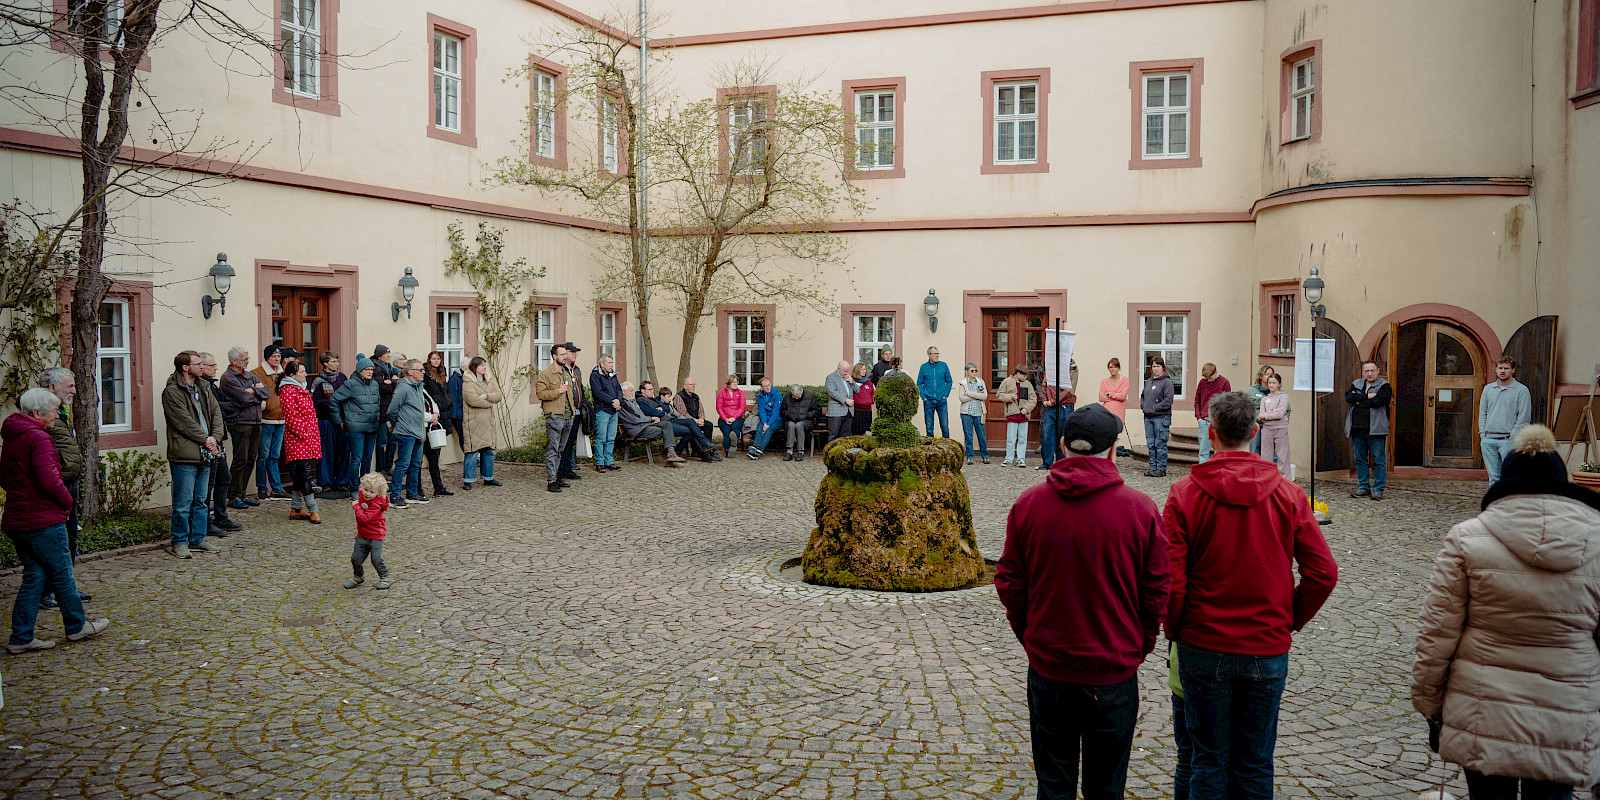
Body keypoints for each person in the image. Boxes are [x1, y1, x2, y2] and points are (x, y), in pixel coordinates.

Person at [1163, 392, 1338, 799]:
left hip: (1203, 642)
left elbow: (1171, 579)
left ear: (1212, 433)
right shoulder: (1289, 495)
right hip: (1265, 643)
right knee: (1255, 760)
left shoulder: (1185, 493)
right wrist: (1288, 615)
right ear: (1255, 432)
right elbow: (1323, 573)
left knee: (1207, 760)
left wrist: (1176, 627)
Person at [1412, 424, 1600, 800]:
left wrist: (1431, 705)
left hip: (1482, 709)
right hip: (1564, 715)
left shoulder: (1466, 538)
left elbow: (1437, 633)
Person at [995, 404, 1170, 799]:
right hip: (1112, 667)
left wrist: (1032, 635)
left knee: (1053, 786)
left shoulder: (1029, 505)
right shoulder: (1140, 510)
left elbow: (1009, 582)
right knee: (1106, 788)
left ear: (1061, 445)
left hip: (1051, 666)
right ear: (1111, 451)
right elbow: (1157, 589)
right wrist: (1140, 643)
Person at [3, 388, 111, 654]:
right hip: (42, 519)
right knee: (62, 574)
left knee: (35, 576)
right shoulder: (38, 438)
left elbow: (4, 477)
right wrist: (67, 501)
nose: (57, 415)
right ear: (37, 412)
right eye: (54, 411)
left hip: (19, 517)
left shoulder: (13, 436)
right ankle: (76, 625)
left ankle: (21, 637)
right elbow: (50, 479)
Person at [37, 366, 94, 609]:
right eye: (69, 386)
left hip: (68, 482)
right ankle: (47, 592)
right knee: (57, 542)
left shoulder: (59, 410)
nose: (74, 390)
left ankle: (64, 588)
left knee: (70, 538)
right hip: (57, 484)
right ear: (52, 387)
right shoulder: (41, 412)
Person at [163, 350, 226, 559]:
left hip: (206, 452)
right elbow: (182, 421)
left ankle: (198, 538)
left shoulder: (204, 387)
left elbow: (217, 414)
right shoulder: (172, 391)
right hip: (185, 454)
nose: (202, 367)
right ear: (185, 367)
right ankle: (179, 541)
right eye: (198, 364)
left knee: (201, 500)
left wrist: (215, 438)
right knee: (183, 502)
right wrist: (206, 439)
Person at [195, 354, 241, 535]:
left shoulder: (211, 385)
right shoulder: (200, 387)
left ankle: (221, 517)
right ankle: (205, 521)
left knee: (224, 478)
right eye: (212, 365)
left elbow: (231, 404)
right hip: (207, 442)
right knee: (209, 482)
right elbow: (215, 409)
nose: (215, 368)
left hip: (218, 439)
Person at [220, 346, 269, 509]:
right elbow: (243, 398)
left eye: (247, 359)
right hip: (240, 423)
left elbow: (266, 392)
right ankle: (233, 495)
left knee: (250, 459)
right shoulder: (228, 378)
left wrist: (252, 392)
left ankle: (242, 493)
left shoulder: (250, 375)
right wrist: (257, 393)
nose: (247, 361)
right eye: (244, 359)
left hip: (255, 421)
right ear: (234, 361)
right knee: (240, 459)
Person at [277, 359, 325, 524]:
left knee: (300, 472)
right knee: (304, 472)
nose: (306, 374)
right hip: (298, 437)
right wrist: (304, 434)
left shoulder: (301, 389)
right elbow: (291, 417)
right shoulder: (288, 391)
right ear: (292, 374)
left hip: (307, 436)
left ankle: (296, 508)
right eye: (302, 371)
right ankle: (313, 508)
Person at [330, 355, 381, 494]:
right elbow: (334, 401)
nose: (370, 372)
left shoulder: (375, 384)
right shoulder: (351, 384)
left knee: (367, 460)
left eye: (371, 369)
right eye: (367, 369)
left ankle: (365, 487)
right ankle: (353, 488)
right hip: (355, 428)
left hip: (371, 427)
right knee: (356, 459)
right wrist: (339, 420)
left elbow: (377, 403)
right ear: (360, 371)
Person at [387, 358, 434, 506]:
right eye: (420, 370)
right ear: (410, 372)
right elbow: (392, 410)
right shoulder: (403, 388)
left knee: (415, 464)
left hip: (419, 431)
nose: (423, 372)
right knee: (403, 464)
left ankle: (412, 494)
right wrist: (398, 424)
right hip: (406, 432)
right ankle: (394, 496)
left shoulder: (418, 386)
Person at [1479, 355, 1533, 484]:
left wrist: (1512, 436)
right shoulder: (1488, 389)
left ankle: (1511, 502)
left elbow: (1524, 417)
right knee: (1494, 479)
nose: (1503, 371)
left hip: (1508, 441)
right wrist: (1482, 434)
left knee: (1511, 477)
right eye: (1500, 368)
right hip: (1488, 440)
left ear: (1513, 370)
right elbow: (1483, 413)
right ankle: (1495, 503)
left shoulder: (1521, 390)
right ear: (1496, 370)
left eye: (1506, 368)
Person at [1345, 360, 1393, 500]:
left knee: (1378, 459)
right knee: (1360, 459)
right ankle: (1363, 487)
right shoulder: (1357, 384)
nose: (1370, 373)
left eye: (1372, 370)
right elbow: (1349, 397)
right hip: (1357, 429)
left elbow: (1379, 401)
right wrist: (1366, 396)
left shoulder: (1384, 386)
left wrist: (1359, 401)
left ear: (1378, 371)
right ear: (1363, 372)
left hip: (1376, 430)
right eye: (1367, 371)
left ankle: (1378, 489)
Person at [536, 343, 578, 492]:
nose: (565, 357)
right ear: (554, 356)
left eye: (565, 354)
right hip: (555, 417)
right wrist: (557, 391)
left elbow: (570, 396)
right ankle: (550, 480)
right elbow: (541, 394)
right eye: (562, 354)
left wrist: (573, 411)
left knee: (561, 449)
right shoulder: (546, 374)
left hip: (568, 416)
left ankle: (557, 476)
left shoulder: (566, 373)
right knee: (553, 449)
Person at [251, 344, 290, 500]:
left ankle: (276, 487)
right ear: (267, 357)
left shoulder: (283, 374)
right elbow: (252, 393)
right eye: (274, 356)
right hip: (265, 420)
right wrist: (263, 405)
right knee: (263, 456)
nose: (277, 359)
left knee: (274, 455)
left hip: (281, 421)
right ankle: (261, 488)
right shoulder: (256, 373)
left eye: (279, 356)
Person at [617, 381, 688, 466]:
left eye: (632, 390)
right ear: (623, 392)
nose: (633, 393)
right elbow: (635, 419)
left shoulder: (632, 402)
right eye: (630, 391)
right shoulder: (623, 403)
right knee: (664, 431)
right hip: (637, 429)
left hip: (644, 425)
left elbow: (640, 416)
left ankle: (671, 455)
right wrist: (651, 419)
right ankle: (671, 457)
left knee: (667, 424)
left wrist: (651, 419)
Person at [459, 356, 503, 489]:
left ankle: (488, 477)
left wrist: (486, 396)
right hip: (474, 422)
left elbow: (499, 395)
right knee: (472, 451)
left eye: (485, 364)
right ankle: (468, 480)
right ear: (474, 367)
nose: (484, 367)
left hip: (488, 421)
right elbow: (472, 400)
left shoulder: (490, 380)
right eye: (481, 365)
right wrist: (490, 403)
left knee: (488, 451)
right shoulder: (467, 383)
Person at [311, 350, 350, 498]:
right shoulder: (318, 381)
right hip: (325, 421)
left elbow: (348, 395)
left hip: (341, 421)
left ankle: (341, 482)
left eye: (337, 361)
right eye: (334, 361)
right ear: (325, 363)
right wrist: (334, 401)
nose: (337, 364)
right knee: (325, 452)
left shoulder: (342, 378)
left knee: (342, 451)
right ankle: (326, 483)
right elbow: (316, 401)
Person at [345, 472, 392, 591]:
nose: (367, 494)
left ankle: (384, 577)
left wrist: (356, 506)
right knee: (355, 558)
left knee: (376, 559)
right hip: (362, 534)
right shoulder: (362, 494)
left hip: (376, 534)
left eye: (372, 492)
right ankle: (358, 576)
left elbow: (364, 518)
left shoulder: (377, 504)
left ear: (378, 493)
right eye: (366, 489)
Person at [420, 352, 456, 498]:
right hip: (429, 420)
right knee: (424, 457)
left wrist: (448, 402)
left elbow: (445, 392)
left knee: (435, 456)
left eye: (438, 358)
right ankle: (418, 489)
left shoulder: (442, 373)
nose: (436, 361)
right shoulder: (426, 377)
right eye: (433, 358)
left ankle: (438, 487)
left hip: (441, 416)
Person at [1037, 359, 1078, 471]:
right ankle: (1047, 463)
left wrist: (1053, 400)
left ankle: (1061, 463)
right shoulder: (1051, 365)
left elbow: (1070, 389)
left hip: (1066, 406)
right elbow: (1044, 384)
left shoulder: (1072, 367)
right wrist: (1045, 399)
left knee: (1063, 436)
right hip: (1051, 407)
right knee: (1047, 434)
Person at [658, 385, 717, 461]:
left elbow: (679, 415)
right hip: (669, 423)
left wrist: (692, 421)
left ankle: (678, 452)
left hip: (676, 421)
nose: (670, 399)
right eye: (668, 397)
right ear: (662, 397)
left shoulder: (669, 405)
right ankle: (705, 446)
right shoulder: (659, 404)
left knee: (693, 429)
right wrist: (692, 421)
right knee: (690, 425)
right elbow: (679, 413)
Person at [1140, 357, 1175, 478]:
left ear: (1163, 368)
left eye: (1158, 366)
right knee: (1151, 444)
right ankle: (1153, 467)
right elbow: (1143, 396)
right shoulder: (1149, 381)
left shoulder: (1167, 382)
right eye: (1153, 366)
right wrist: (1143, 406)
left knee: (1160, 444)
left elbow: (1168, 400)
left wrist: (1155, 408)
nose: (1156, 369)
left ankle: (1161, 468)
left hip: (1161, 418)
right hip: (1148, 417)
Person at [997, 364, 1037, 468]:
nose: (1025, 377)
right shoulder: (1006, 382)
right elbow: (999, 395)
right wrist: (1010, 397)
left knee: (1023, 439)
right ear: (1018, 373)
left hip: (1024, 416)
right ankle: (1008, 459)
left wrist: (1026, 409)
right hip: (1012, 415)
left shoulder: (1027, 384)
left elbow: (1033, 399)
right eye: (1024, 375)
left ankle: (1021, 459)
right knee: (1011, 439)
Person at [558, 343, 587, 483]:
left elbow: (580, 389)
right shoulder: (561, 370)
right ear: (565, 353)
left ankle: (568, 469)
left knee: (571, 442)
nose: (575, 354)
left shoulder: (577, 370)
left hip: (577, 411)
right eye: (573, 352)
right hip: (565, 412)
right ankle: (560, 471)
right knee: (562, 443)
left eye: (576, 352)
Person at [590, 354, 624, 472]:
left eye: (612, 363)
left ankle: (609, 461)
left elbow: (619, 389)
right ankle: (600, 462)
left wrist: (618, 400)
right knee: (601, 437)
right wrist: (612, 401)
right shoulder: (595, 375)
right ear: (602, 364)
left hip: (613, 410)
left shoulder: (613, 375)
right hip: (603, 410)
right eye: (609, 363)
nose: (611, 365)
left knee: (611, 438)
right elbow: (598, 392)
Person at [1193, 363, 1232, 464]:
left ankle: (1217, 472)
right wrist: (1199, 417)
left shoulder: (1224, 382)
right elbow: (1197, 400)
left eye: (1210, 378)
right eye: (1206, 378)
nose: (1208, 380)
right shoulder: (1202, 383)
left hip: (1218, 420)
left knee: (1218, 451)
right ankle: (1203, 472)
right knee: (1203, 451)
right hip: (1204, 420)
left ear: (1216, 372)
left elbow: (1228, 403)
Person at [371, 344, 399, 473]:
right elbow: (381, 388)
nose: (389, 355)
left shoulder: (389, 367)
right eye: (386, 354)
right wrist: (392, 382)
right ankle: (381, 468)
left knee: (392, 441)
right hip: (381, 410)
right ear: (379, 355)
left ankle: (388, 467)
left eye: (389, 353)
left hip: (391, 409)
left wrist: (391, 382)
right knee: (382, 441)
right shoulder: (375, 368)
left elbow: (397, 383)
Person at [1258, 373, 1291, 478]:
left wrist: (1268, 415)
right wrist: (1272, 413)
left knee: (1283, 456)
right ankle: (1267, 479)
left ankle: (1285, 480)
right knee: (1266, 456)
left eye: (1274, 383)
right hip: (1267, 430)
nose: (1271, 385)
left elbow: (1280, 414)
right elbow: (1260, 416)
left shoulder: (1283, 397)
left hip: (1280, 429)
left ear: (1279, 384)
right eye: (1269, 383)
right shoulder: (1264, 399)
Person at [674, 377, 718, 455]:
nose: (693, 386)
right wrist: (695, 420)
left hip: (697, 420)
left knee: (709, 425)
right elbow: (683, 413)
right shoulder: (679, 396)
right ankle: (700, 450)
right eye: (691, 384)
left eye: (694, 384)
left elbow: (701, 409)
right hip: (686, 421)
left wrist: (701, 419)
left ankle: (708, 448)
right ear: (685, 386)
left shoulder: (696, 396)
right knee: (693, 428)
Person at [958, 363, 991, 466]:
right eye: (972, 371)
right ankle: (969, 457)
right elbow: (962, 398)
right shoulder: (963, 383)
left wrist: (970, 394)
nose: (974, 373)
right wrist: (977, 394)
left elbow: (984, 396)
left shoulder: (980, 381)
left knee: (981, 435)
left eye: (975, 371)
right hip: (966, 413)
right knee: (968, 435)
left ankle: (985, 456)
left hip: (979, 412)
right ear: (967, 371)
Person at [917, 346, 952, 438]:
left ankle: (947, 449)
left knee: (945, 427)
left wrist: (945, 395)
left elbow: (949, 381)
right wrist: (924, 397)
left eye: (938, 353)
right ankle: (930, 450)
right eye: (935, 354)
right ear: (929, 355)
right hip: (928, 401)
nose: (937, 355)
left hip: (941, 400)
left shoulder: (943, 365)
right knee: (929, 428)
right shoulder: (923, 367)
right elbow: (919, 383)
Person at [780, 384, 821, 461]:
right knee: (791, 425)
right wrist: (789, 415)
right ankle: (789, 451)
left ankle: (800, 452)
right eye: (794, 396)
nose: (796, 397)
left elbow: (817, 411)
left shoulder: (810, 396)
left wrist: (805, 416)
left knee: (799, 425)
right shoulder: (787, 397)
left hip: (806, 420)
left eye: (798, 395)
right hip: (791, 420)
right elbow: (782, 410)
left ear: (802, 391)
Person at [748, 377, 783, 459]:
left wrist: (768, 424)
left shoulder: (777, 394)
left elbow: (775, 412)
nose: (768, 387)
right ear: (761, 387)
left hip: (777, 419)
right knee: (759, 427)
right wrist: (764, 423)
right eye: (765, 386)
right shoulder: (760, 397)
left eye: (769, 385)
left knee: (769, 429)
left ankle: (760, 449)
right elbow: (762, 411)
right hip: (766, 419)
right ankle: (755, 447)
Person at [1245, 366, 1275, 457]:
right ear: (1261, 376)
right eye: (1267, 374)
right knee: (1255, 453)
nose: (1269, 377)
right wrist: (1256, 418)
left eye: (1271, 375)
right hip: (1256, 427)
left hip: (1271, 428)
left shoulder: (1277, 391)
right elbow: (1246, 409)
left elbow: (1286, 409)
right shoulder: (1252, 391)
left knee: (1272, 456)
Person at [716, 374, 748, 457]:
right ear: (728, 383)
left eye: (737, 382)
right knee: (727, 432)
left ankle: (733, 445)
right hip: (724, 418)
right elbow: (719, 408)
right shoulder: (722, 393)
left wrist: (734, 418)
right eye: (734, 382)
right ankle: (728, 450)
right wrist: (726, 418)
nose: (736, 384)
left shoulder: (740, 393)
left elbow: (742, 407)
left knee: (735, 428)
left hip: (737, 418)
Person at [825, 360, 856, 443]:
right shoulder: (831, 377)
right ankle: (830, 454)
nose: (846, 373)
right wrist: (845, 400)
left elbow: (857, 390)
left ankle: (842, 454)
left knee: (845, 436)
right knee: (833, 434)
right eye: (844, 371)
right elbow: (832, 392)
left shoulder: (848, 377)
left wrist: (851, 382)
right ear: (838, 369)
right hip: (836, 411)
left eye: (847, 371)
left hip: (848, 411)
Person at [851, 363, 875, 436]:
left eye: (865, 369)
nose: (864, 371)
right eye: (862, 369)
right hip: (857, 410)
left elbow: (872, 393)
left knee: (864, 432)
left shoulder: (869, 382)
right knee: (856, 432)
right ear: (857, 370)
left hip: (867, 410)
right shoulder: (852, 381)